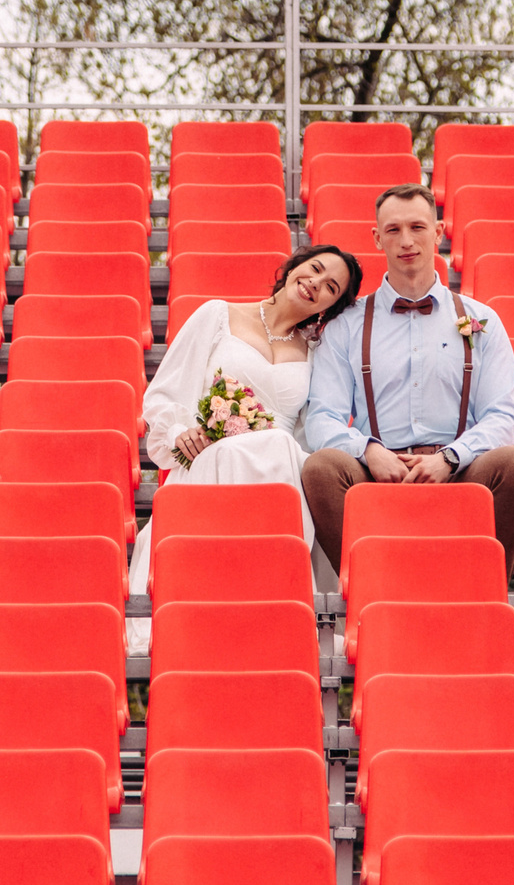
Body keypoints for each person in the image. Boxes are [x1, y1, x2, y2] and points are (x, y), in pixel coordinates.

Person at [300, 182, 514, 576]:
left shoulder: (482, 320)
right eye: (393, 230)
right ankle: (368, 581)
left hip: (459, 470)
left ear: (439, 232)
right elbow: (323, 417)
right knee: (321, 468)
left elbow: (503, 417)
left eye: (418, 227)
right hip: (376, 471)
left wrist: (450, 458)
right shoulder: (347, 324)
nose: (406, 241)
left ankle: (485, 582)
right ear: (377, 238)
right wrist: (369, 452)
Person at [127, 243, 365, 612]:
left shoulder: (318, 353)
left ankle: (275, 590)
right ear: (294, 266)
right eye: (315, 268)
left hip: (279, 471)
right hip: (211, 458)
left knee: (282, 447)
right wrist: (179, 432)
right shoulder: (217, 315)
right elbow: (163, 394)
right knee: (268, 448)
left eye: (331, 287)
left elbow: (309, 431)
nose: (316, 283)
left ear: (329, 308)